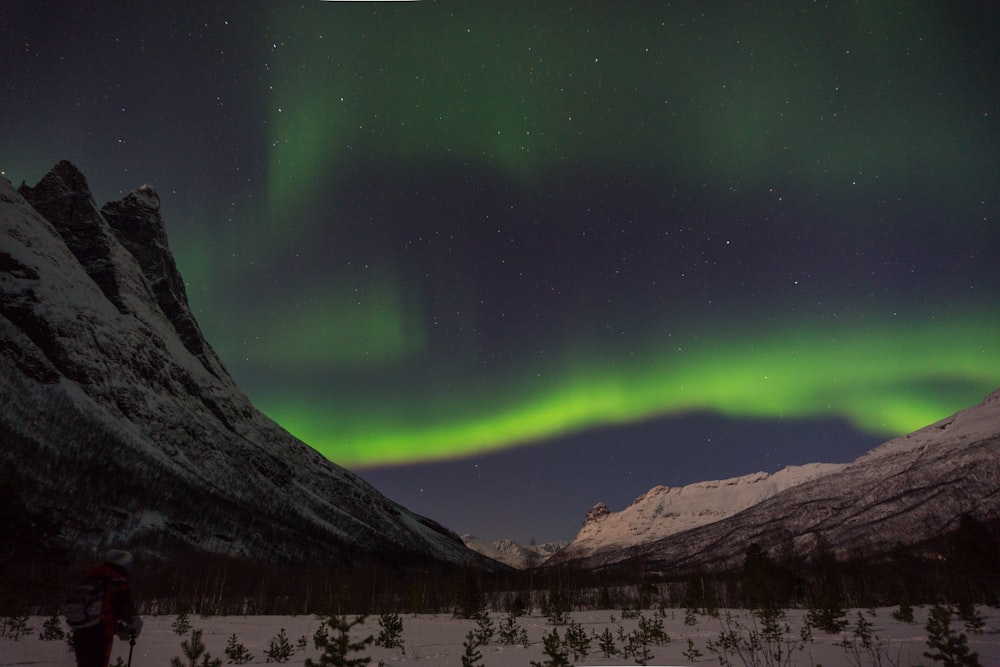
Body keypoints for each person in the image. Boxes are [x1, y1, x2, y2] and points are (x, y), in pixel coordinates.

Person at [73, 549, 142, 667]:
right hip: (100, 636)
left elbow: (103, 610)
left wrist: (117, 628)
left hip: (80, 632)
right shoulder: (118, 581)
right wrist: (134, 624)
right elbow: (126, 612)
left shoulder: (92, 579)